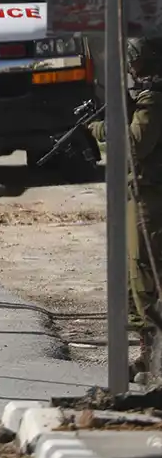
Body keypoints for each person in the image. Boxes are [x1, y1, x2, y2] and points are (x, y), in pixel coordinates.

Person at [88, 36, 162, 380]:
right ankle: (147, 351)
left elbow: (135, 143)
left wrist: (104, 129)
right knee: (133, 272)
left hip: (150, 194)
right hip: (139, 191)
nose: (130, 66)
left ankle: (153, 353)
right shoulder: (144, 95)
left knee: (144, 271)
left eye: (133, 59)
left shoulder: (153, 98)